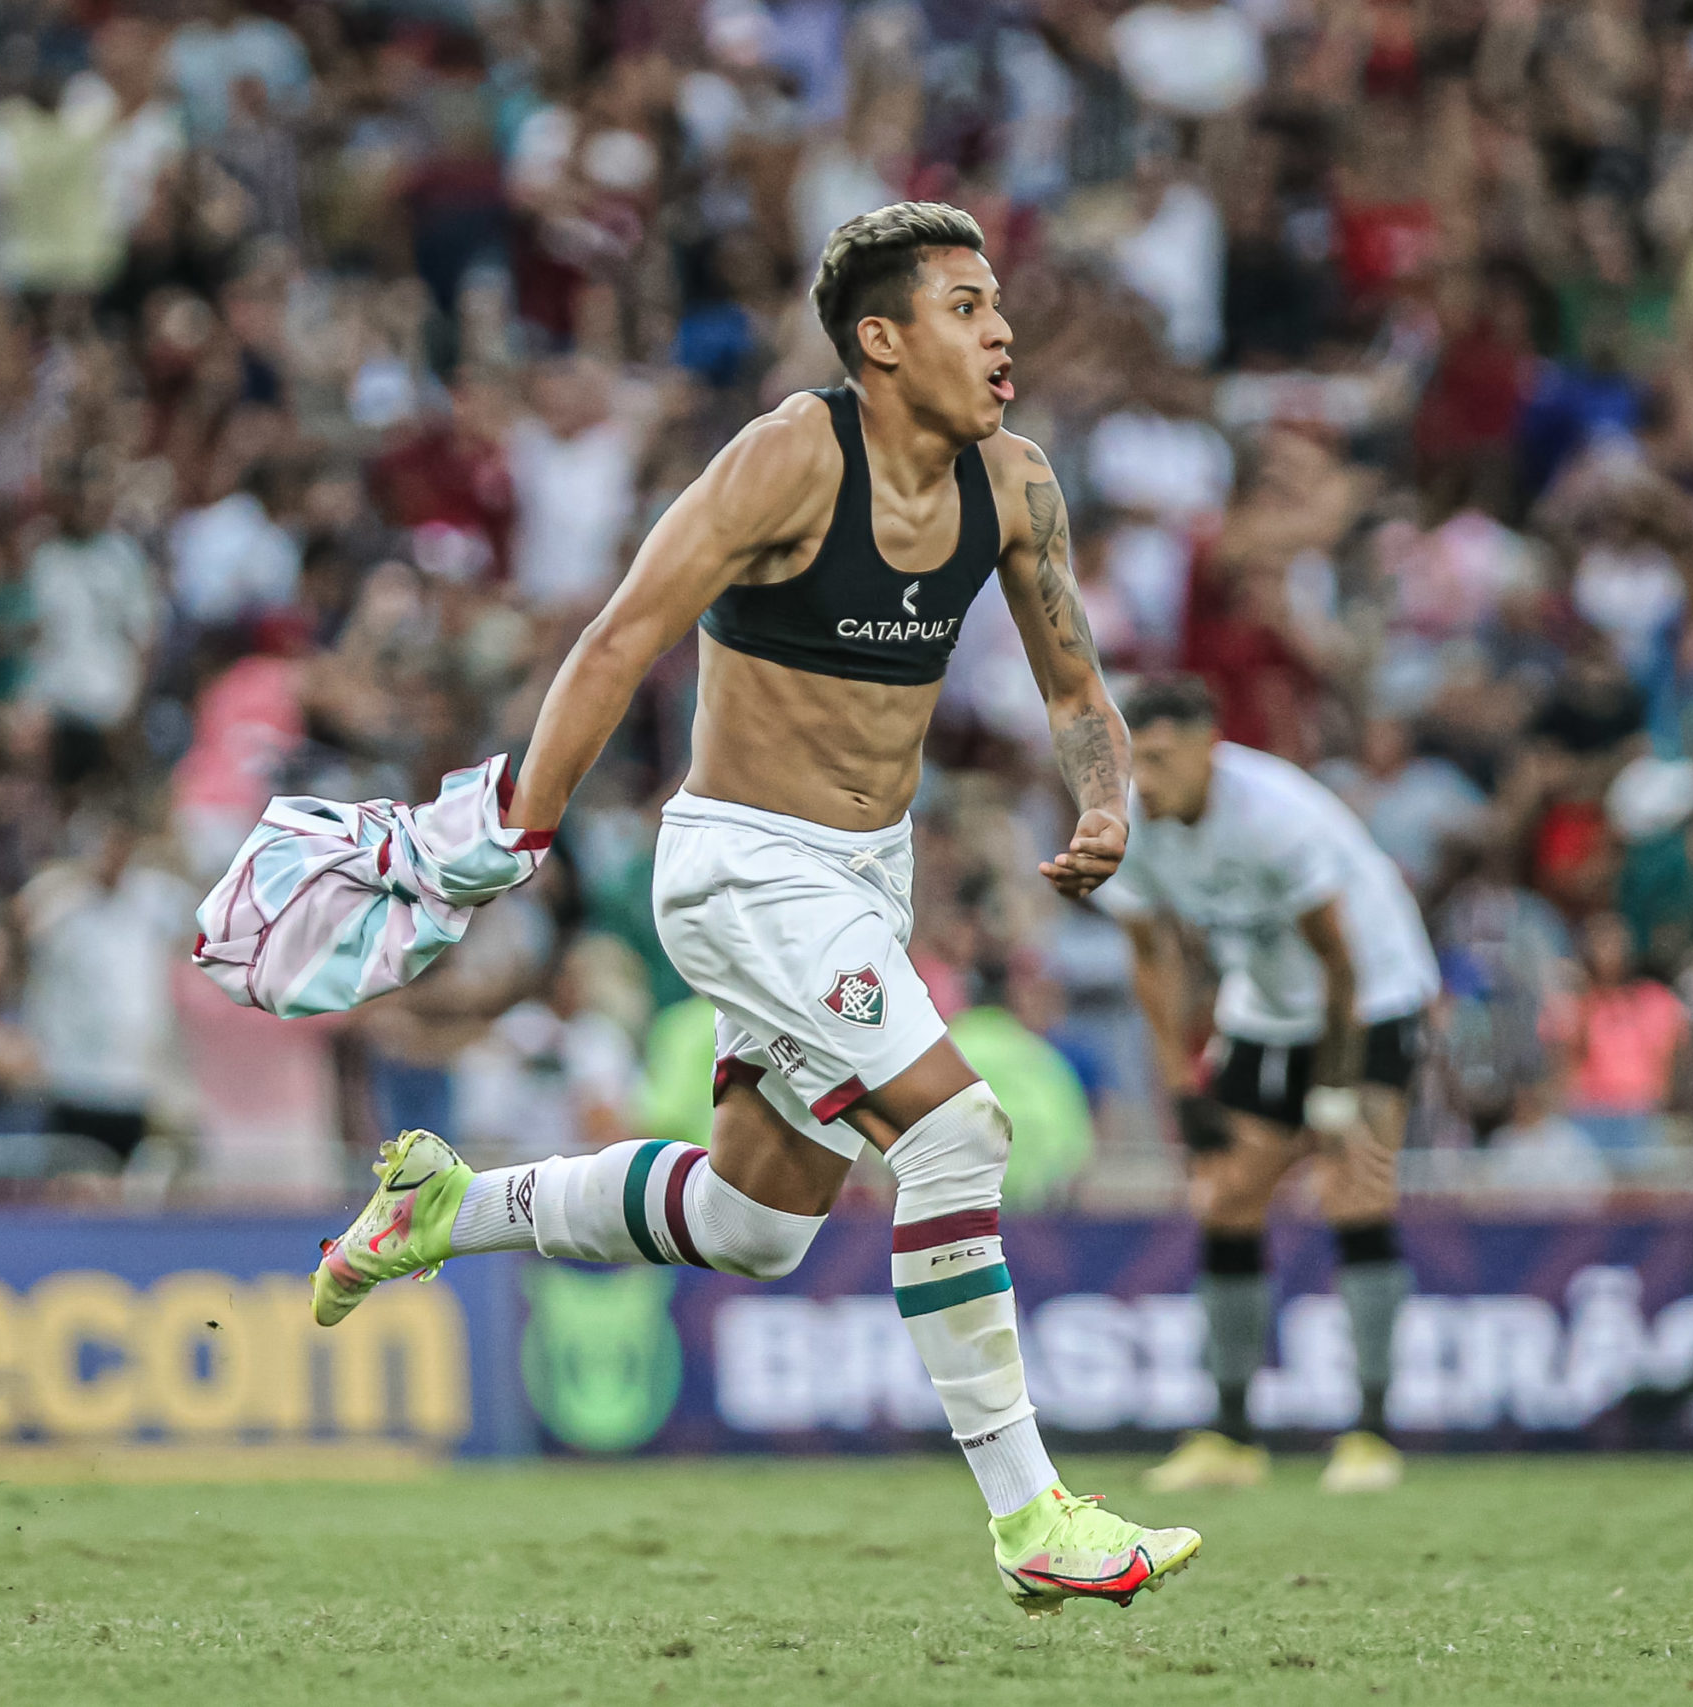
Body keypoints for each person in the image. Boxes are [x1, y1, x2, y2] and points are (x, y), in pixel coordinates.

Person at [197, 204, 1198, 1612]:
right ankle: (1031, 1510)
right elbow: (620, 635)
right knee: (959, 1130)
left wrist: (1106, 800)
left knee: (752, 1222)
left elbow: (1077, 687)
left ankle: (442, 1208)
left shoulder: (1016, 482)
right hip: (745, 865)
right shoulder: (791, 456)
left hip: (864, 877)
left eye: (997, 304)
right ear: (881, 339)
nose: (1002, 330)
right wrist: (521, 819)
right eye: (967, 306)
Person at [1099, 674, 1441, 1496]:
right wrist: (1181, 1081)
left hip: (1372, 999)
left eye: (1161, 758)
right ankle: (1231, 1433)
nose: (1146, 778)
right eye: (1134, 760)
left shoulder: (1276, 818)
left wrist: (1334, 1091)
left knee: (1354, 1186)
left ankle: (1370, 1432)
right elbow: (1153, 957)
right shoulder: (1130, 823)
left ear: (1209, 746)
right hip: (1264, 1006)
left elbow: (1340, 958)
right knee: (1225, 1196)